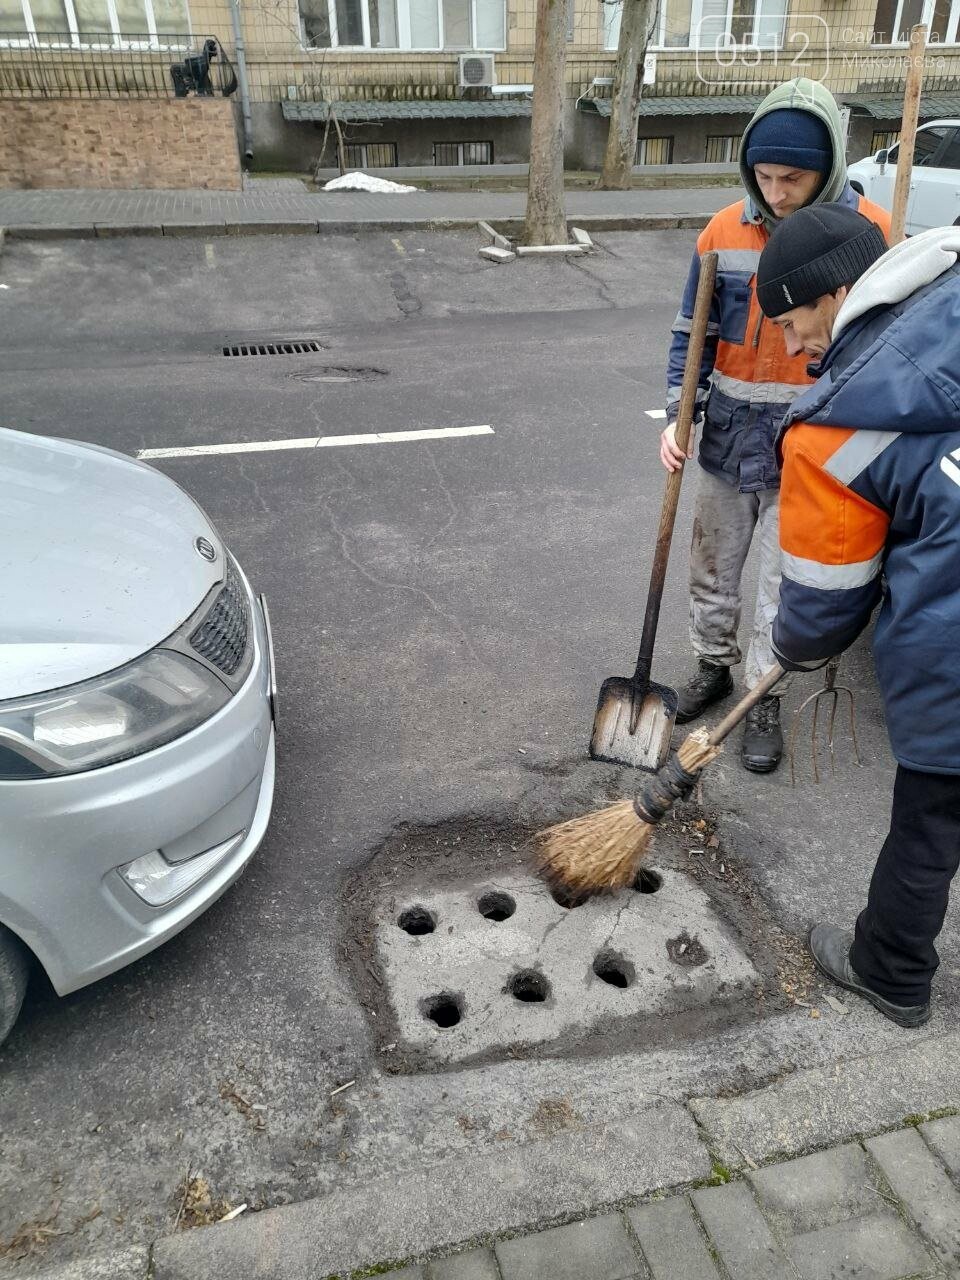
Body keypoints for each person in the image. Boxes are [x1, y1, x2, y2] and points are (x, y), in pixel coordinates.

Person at [756, 203, 960, 1027]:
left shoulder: (838, 422)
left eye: (795, 321)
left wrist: (792, 649)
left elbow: (821, 609)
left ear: (836, 293)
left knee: (931, 821)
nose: (792, 346)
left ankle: (889, 969)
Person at [661, 78, 890, 773]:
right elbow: (687, 335)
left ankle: (760, 696)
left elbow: (885, 348)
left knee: (780, 584)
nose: (778, 191)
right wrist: (679, 414)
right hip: (729, 433)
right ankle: (712, 665)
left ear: (828, 169)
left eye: (793, 177)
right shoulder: (724, 231)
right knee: (713, 567)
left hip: (812, 444)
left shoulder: (867, 234)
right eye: (764, 176)